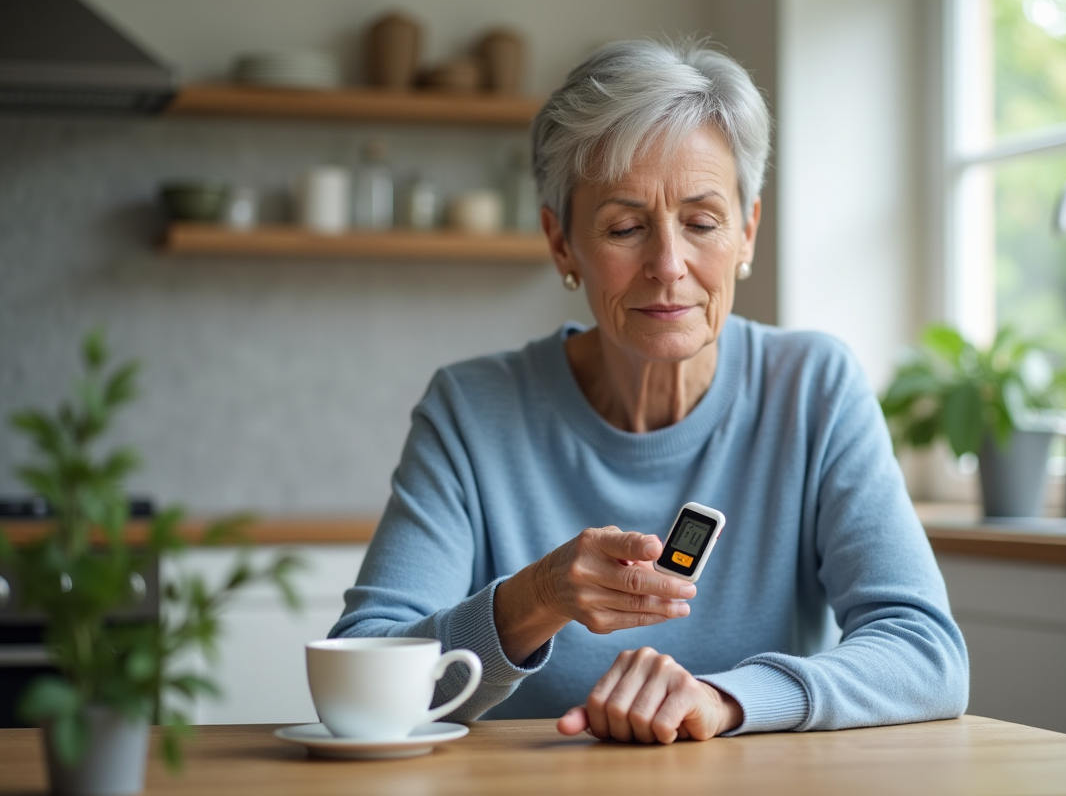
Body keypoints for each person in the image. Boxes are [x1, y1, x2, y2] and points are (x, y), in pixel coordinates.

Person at [331, 38, 969, 744]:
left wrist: (724, 700)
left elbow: (926, 654)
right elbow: (364, 670)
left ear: (748, 232)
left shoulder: (814, 389)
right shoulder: (470, 410)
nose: (669, 265)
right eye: (625, 227)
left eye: (702, 222)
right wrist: (535, 598)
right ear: (561, 244)